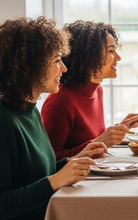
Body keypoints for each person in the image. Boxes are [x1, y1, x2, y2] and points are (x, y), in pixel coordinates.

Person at [0, 17, 108, 220]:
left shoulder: (30, 110)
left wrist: (75, 160)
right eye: (57, 60)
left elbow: (39, 174)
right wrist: (55, 181)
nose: (64, 69)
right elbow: (3, 203)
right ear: (31, 66)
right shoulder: (4, 121)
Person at [41, 21, 138, 160]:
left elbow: (90, 139)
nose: (118, 58)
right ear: (89, 56)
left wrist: (119, 129)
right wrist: (100, 142)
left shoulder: (97, 90)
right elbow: (51, 161)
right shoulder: (60, 101)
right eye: (111, 51)